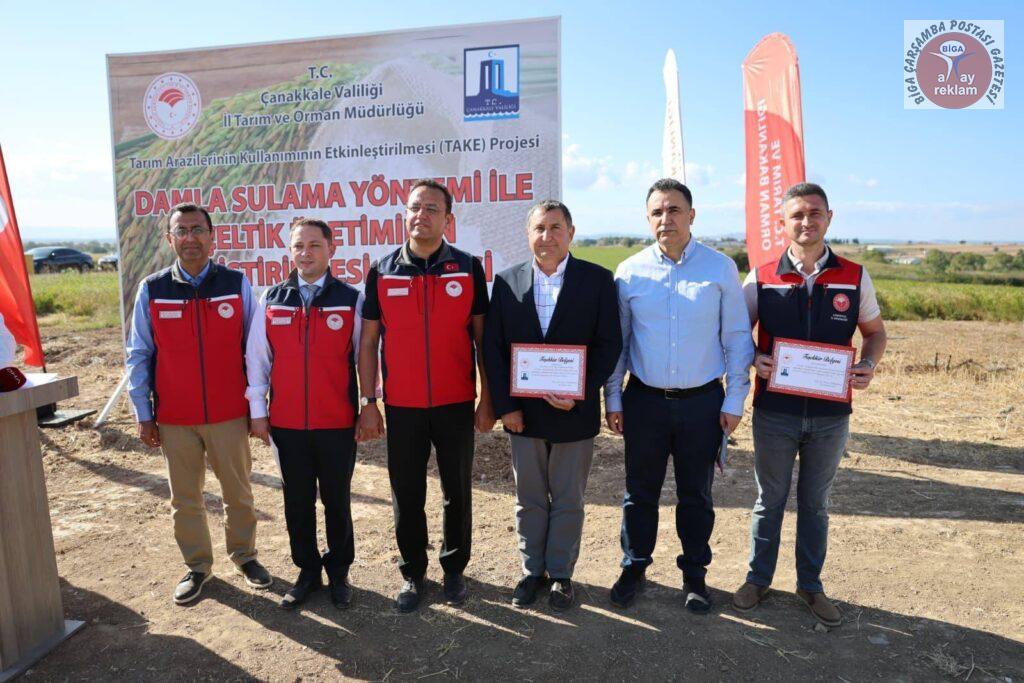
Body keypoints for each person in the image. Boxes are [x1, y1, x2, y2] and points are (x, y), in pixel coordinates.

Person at [732, 183, 887, 626]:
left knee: (815, 504)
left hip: (830, 417)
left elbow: (875, 333)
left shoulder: (854, 276)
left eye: (815, 213)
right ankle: (758, 579)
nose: (806, 222)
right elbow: (737, 334)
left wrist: (868, 364)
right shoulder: (761, 276)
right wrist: (754, 358)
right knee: (769, 501)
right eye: (797, 214)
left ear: (829, 218)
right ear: (783, 222)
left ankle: (810, 586)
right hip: (775, 412)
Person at [604, 178, 754, 613]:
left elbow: (737, 338)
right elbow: (620, 343)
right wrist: (613, 399)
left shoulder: (720, 268)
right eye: (657, 212)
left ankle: (695, 575)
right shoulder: (629, 272)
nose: (665, 218)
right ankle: (634, 567)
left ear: (691, 215)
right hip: (644, 401)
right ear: (647, 218)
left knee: (696, 496)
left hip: (702, 403)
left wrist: (734, 401)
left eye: (673, 210)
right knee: (639, 493)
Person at [357, 179, 495, 613]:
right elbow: (368, 343)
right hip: (403, 406)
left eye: (432, 208)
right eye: (415, 207)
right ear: (405, 214)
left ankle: (454, 569)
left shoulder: (468, 268)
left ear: (448, 219)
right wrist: (369, 402)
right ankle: (412, 572)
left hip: (456, 403)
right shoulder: (382, 271)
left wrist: (487, 399)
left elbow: (483, 339)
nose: (422, 215)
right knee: (407, 492)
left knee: (457, 491)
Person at [126, 202, 271, 605]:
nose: (190, 238)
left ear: (212, 237)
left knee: (238, 493)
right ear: (170, 239)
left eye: (197, 230)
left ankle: (245, 556)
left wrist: (257, 408)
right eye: (182, 231)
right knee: (185, 498)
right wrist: (143, 413)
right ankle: (197, 566)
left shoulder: (236, 284)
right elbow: (139, 354)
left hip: (228, 413)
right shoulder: (152, 289)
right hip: (175, 417)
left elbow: (255, 351)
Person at [483, 200, 621, 610]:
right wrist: (505, 407)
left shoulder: (598, 280)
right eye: (539, 228)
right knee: (528, 498)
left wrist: (580, 391)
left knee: (568, 499)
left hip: (573, 413)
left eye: (556, 227)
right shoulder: (507, 282)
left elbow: (609, 344)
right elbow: (493, 349)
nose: (547, 236)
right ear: (528, 234)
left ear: (571, 233)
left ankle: (560, 574)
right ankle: (532, 572)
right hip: (522, 415)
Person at [246, 218, 363, 611]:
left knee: (337, 500)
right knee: (297, 501)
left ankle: (339, 572)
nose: (306, 253)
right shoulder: (272, 298)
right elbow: (257, 359)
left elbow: (366, 359)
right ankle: (307, 571)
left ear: (331, 249)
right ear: (290, 251)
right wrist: (257, 411)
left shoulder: (351, 299)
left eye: (314, 245)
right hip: (287, 424)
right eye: (298, 246)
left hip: (337, 423)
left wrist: (369, 406)